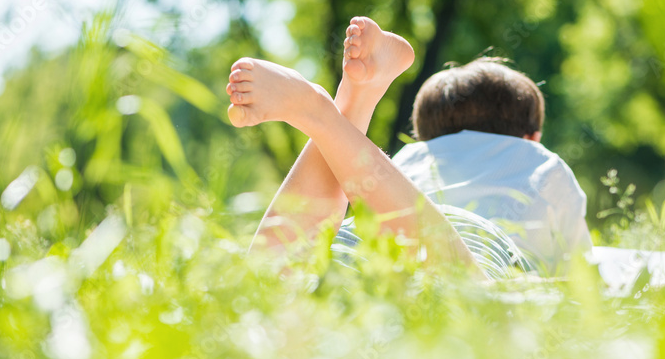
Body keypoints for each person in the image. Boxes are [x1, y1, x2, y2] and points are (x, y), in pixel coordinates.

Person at [225, 17, 590, 278]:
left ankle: (349, 107)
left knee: (267, 284)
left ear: (425, 138)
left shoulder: (409, 161)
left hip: (363, 245)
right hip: (471, 250)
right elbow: (582, 276)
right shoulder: (542, 162)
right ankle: (320, 114)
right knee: (465, 286)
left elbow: (375, 195)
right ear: (531, 137)